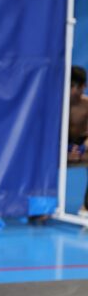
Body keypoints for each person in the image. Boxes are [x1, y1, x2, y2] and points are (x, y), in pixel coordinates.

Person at [68, 66, 88, 214]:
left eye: (75, 86)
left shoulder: (87, 104)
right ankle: (40, 209)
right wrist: (65, 150)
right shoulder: (56, 103)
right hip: (58, 146)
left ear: (83, 87)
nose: (71, 91)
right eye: (69, 86)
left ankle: (87, 206)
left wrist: (83, 148)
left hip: (81, 145)